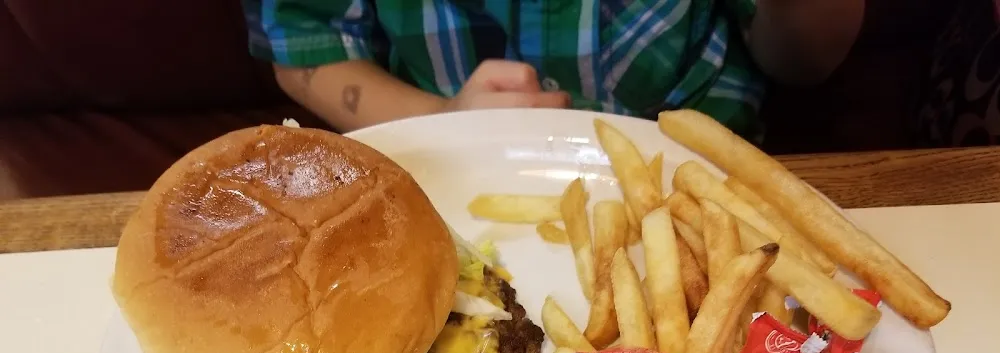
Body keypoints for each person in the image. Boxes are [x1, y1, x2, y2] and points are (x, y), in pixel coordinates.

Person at [243, 1, 864, 138]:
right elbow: (307, 51)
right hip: (451, 175)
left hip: (707, 163)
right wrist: (442, 119)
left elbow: (805, 63)